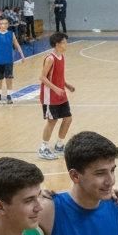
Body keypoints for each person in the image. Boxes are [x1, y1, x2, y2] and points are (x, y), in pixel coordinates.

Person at [38, 32, 74, 161]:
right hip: (50, 96)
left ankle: (59, 145)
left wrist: (66, 85)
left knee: (68, 118)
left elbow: (58, 76)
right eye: (64, 42)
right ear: (58, 45)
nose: (66, 44)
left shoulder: (61, 56)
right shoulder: (50, 58)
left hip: (60, 94)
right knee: (52, 121)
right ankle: (43, 148)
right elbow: (42, 78)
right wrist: (55, 88)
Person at [0, 18, 25, 105]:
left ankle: (9, 95)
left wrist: (22, 55)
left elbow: (16, 44)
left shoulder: (11, 34)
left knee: (9, 78)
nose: (3, 25)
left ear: (7, 25)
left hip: (8, 59)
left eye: (5, 24)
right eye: (1, 24)